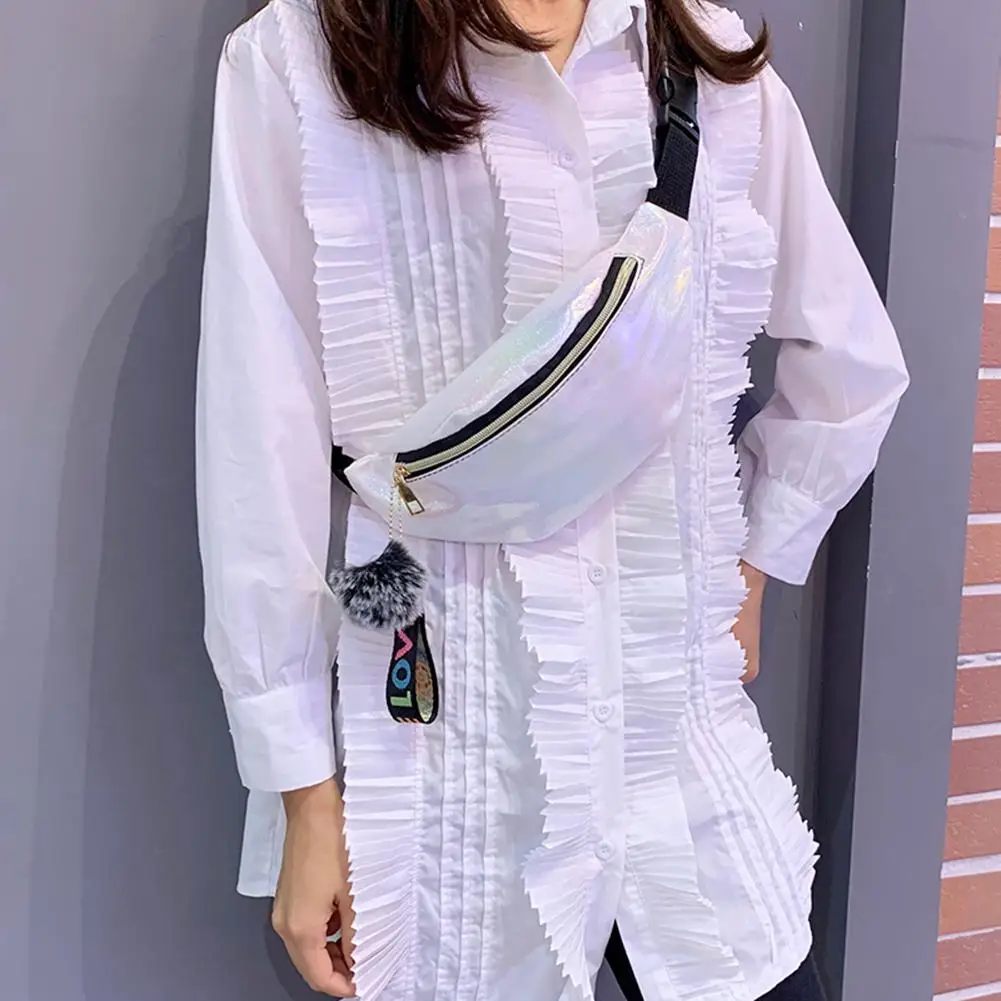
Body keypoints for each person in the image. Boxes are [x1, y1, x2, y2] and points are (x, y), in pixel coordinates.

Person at [196, 0, 908, 999]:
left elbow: (850, 368)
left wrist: (747, 566)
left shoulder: (702, 60)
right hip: (449, 765)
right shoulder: (299, 62)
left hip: (677, 753)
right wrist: (302, 797)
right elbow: (256, 445)